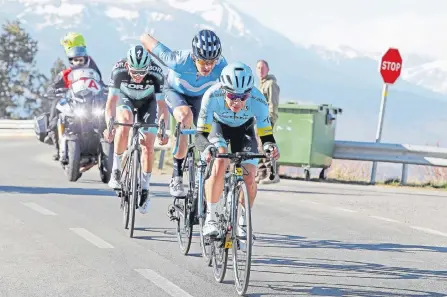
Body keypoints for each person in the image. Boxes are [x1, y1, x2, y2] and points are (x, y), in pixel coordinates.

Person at [195, 62, 280, 237]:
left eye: (243, 97)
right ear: (224, 89)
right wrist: (207, 149)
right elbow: (200, 135)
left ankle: (242, 221)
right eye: (232, 95)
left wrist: (270, 147)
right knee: (220, 161)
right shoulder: (212, 96)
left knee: (249, 176)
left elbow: (266, 135)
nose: (237, 102)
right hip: (218, 128)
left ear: (250, 92)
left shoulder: (258, 100)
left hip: (244, 131)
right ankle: (210, 219)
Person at [140, 29, 228, 198]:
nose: (208, 67)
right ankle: (177, 174)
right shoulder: (178, 60)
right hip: (175, 92)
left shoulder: (222, 66)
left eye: (212, 61)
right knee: (185, 117)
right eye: (203, 62)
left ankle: (206, 167)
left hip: (201, 96)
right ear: (194, 57)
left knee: (212, 126)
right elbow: (144, 38)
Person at [103, 45, 169, 214]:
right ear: (127, 67)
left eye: (142, 72)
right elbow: (111, 102)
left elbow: (162, 107)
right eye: (134, 72)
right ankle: (116, 170)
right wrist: (109, 125)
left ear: (148, 67)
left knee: (148, 144)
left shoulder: (156, 73)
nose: (138, 77)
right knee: (124, 122)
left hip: (148, 103)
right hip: (126, 99)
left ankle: (146, 188)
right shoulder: (118, 71)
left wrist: (163, 128)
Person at [45, 45, 105, 161]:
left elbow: (100, 85)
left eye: (80, 60)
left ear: (85, 59)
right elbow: (53, 86)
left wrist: (106, 89)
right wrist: (54, 90)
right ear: (71, 61)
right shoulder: (64, 74)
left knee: (104, 114)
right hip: (70, 101)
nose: (78, 62)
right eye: (75, 60)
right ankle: (57, 146)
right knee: (56, 108)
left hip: (88, 103)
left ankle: (107, 145)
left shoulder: (93, 73)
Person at [255, 59, 281, 184]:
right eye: (258, 68)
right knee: (259, 147)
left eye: (263, 68)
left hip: (266, 120)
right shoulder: (261, 84)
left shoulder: (270, 84)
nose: (261, 70)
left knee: (267, 146)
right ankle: (261, 173)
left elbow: (273, 103)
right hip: (257, 120)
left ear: (268, 69)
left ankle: (272, 174)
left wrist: (270, 120)